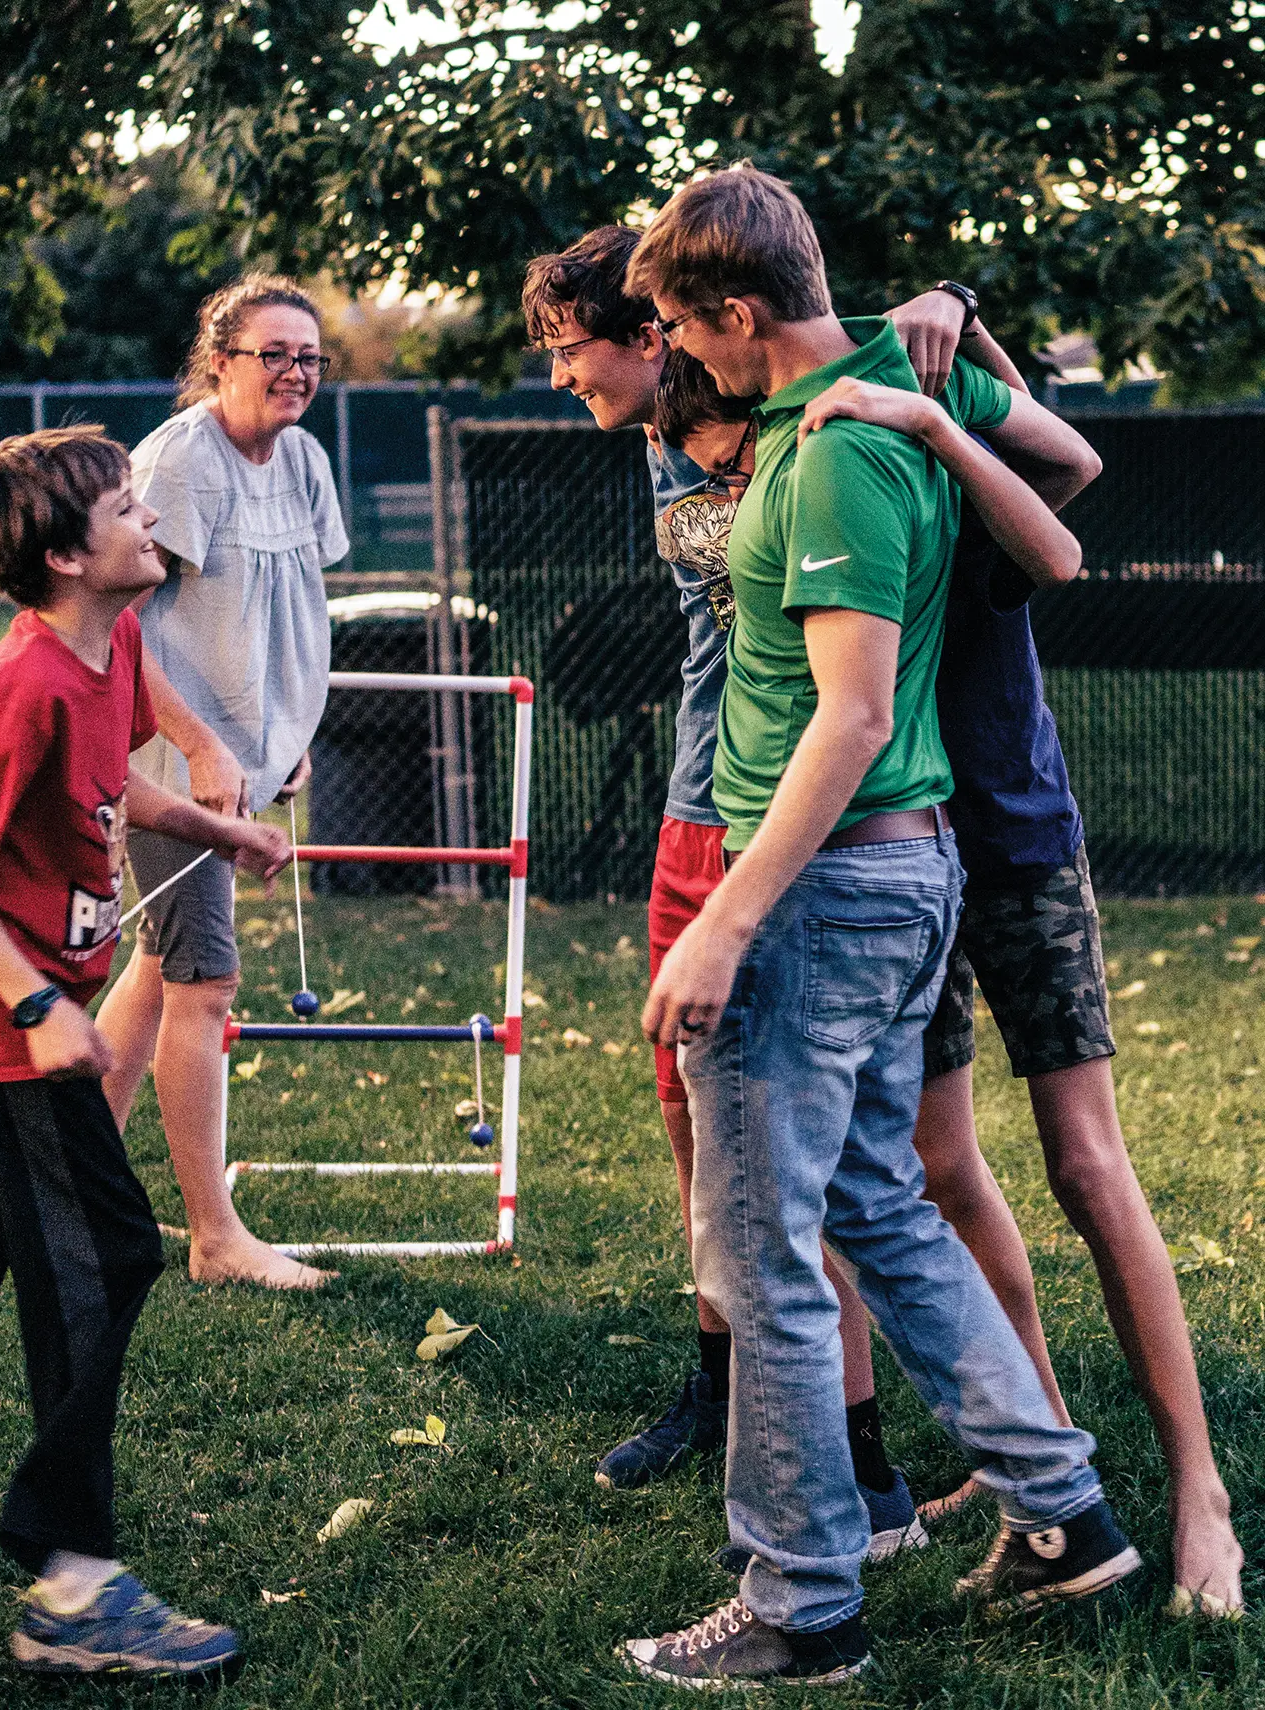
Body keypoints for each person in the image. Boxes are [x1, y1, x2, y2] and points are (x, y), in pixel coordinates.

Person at [621, 165, 1139, 1687]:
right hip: (885, 884)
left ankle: (803, 1599)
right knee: (875, 1205)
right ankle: (1064, 1505)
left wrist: (724, 920)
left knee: (762, 1244)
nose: (673, 354)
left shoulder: (843, 444)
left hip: (826, 880)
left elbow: (846, 717)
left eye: (678, 325)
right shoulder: (853, 411)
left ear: (738, 309)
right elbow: (1055, 528)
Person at [520, 233, 1072, 1551]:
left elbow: (1008, 481)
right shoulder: (677, 435)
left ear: (670, 330)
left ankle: (841, 1514)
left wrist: (953, 308)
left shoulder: (812, 419)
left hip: (812, 829)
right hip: (701, 806)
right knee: (720, 1154)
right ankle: (750, 1407)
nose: (557, 378)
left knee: (821, 1184)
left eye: (569, 348)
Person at [674, 341, 1245, 1613]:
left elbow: (1069, 506)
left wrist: (948, 375)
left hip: (1003, 834)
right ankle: (1042, 1480)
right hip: (899, 852)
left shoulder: (894, 409)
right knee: (911, 1178)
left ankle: (1195, 1491)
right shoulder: (812, 458)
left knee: (1084, 1166)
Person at [0, 427, 289, 1678]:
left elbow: (107, 794)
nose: (146, 520)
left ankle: (45, 1569)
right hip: (5, 1041)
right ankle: (73, 1584)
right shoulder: (21, 685)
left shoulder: (112, 652)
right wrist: (40, 1007)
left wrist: (219, 823)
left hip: (0, 1040)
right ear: (64, 554)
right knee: (102, 1255)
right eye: (122, 508)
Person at [97, 273, 350, 1291]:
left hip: (248, 760)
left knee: (158, 975)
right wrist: (203, 747)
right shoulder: (180, 459)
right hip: (172, 768)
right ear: (219, 361)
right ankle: (215, 1237)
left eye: (310, 358)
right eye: (274, 354)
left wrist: (291, 733)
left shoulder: (305, 458)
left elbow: (297, 609)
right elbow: (120, 623)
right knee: (206, 986)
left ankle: (70, 1182)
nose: (295, 372)